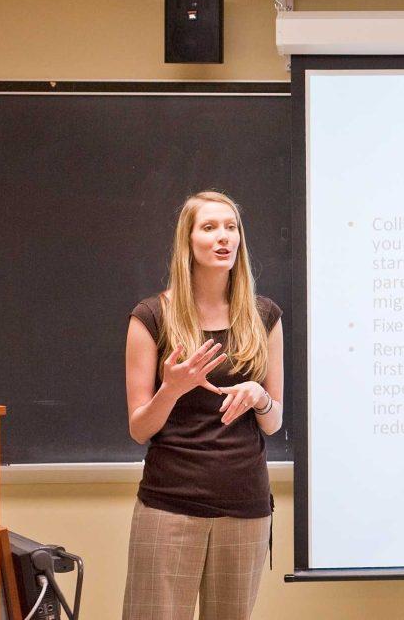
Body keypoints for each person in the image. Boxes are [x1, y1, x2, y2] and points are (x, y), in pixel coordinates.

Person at [122, 191, 283, 620]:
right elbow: (140, 429)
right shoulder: (152, 316)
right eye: (209, 227)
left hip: (245, 505)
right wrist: (171, 388)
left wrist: (260, 397)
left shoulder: (264, 316)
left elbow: (273, 422)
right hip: (170, 504)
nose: (223, 237)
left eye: (231, 227)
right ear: (187, 241)